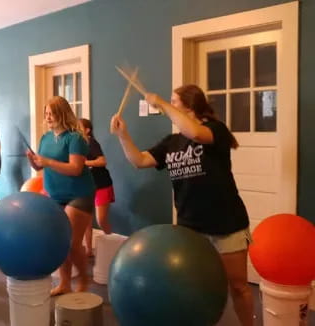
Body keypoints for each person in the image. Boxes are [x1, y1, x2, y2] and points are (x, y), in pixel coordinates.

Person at [110, 84, 254, 326]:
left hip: (226, 224)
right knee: (196, 286)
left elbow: (196, 134)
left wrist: (160, 103)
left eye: (174, 101)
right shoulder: (172, 142)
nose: (169, 105)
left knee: (238, 286)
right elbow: (139, 160)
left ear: (190, 106)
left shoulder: (214, 130)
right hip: (190, 227)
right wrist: (123, 136)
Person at [27, 96, 95, 296]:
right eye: (46, 114)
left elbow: (75, 168)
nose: (48, 117)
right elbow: (41, 166)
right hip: (55, 194)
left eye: (52, 113)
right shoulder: (45, 138)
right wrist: (34, 161)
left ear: (63, 114)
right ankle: (65, 283)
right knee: (60, 241)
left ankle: (83, 280)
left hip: (79, 193)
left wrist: (46, 161)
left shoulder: (75, 138)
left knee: (72, 242)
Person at [78, 118, 115, 257]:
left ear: (87, 130)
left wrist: (85, 163)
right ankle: (89, 250)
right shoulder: (77, 144)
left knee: (101, 220)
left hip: (102, 185)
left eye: (79, 126)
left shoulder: (90, 142)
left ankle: (112, 244)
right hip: (87, 186)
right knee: (86, 219)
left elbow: (102, 161)